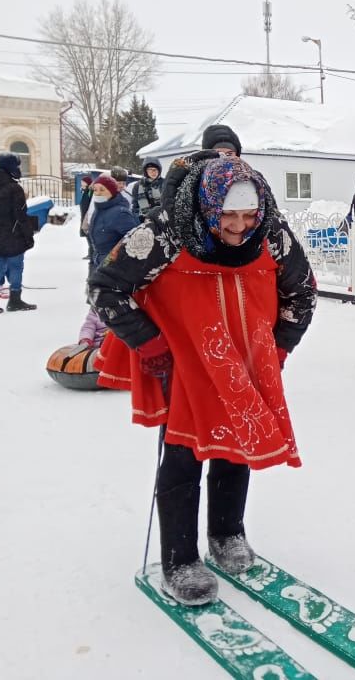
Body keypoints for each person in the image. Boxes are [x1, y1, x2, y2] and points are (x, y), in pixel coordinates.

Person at [89, 151, 317, 605]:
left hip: (245, 359)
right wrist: (150, 344)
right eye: (227, 215)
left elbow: (302, 291)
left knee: (235, 445)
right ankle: (180, 557)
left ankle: (228, 534)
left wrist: (277, 348)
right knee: (185, 452)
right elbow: (105, 286)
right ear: (208, 208)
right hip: (186, 358)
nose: (238, 226)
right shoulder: (165, 233)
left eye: (247, 215)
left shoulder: (270, 234)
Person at [0, 152, 37, 313]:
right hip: (13, 235)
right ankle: (15, 300)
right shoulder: (14, 188)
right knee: (16, 267)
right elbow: (21, 215)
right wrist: (28, 236)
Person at [88, 174, 138, 268]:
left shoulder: (121, 213)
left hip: (115, 270)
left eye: (102, 189)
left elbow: (133, 243)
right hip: (99, 264)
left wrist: (111, 263)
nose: (97, 193)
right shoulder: (99, 209)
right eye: (95, 189)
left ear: (112, 192)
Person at [79, 175, 94, 258]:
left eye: (83, 182)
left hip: (88, 215)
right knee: (87, 234)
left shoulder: (89, 191)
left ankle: (92, 253)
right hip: (84, 215)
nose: (81, 184)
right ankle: (91, 253)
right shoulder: (85, 191)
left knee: (89, 235)